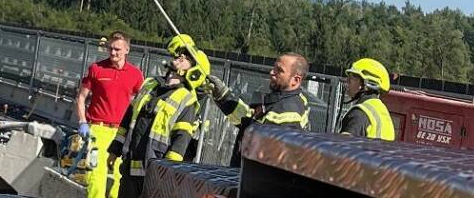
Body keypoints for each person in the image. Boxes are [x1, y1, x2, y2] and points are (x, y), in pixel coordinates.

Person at [109, 34, 207, 198]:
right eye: (181, 53)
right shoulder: (150, 84)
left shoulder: (186, 99)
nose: (180, 56)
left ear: (194, 71)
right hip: (129, 168)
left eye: (187, 57)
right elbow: (128, 119)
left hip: (153, 174)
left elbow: (180, 142)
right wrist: (114, 149)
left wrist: (166, 174)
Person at [74, 31, 145, 198]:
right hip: (97, 132)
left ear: (127, 49)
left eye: (117, 49)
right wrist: (82, 122)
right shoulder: (96, 69)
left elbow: (142, 102)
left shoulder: (135, 75)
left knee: (120, 177)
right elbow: (81, 97)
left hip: (121, 134)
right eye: (110, 48)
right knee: (94, 175)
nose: (113, 53)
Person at [206, 53, 310, 165]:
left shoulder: (287, 112)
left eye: (279, 70)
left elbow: (271, 162)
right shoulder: (285, 100)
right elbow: (249, 120)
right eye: (274, 67)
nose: (271, 73)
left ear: (296, 80)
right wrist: (224, 96)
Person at [335, 58, 394, 140]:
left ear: (366, 84)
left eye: (351, 78)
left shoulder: (359, 114)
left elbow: (342, 148)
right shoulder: (382, 111)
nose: (346, 81)